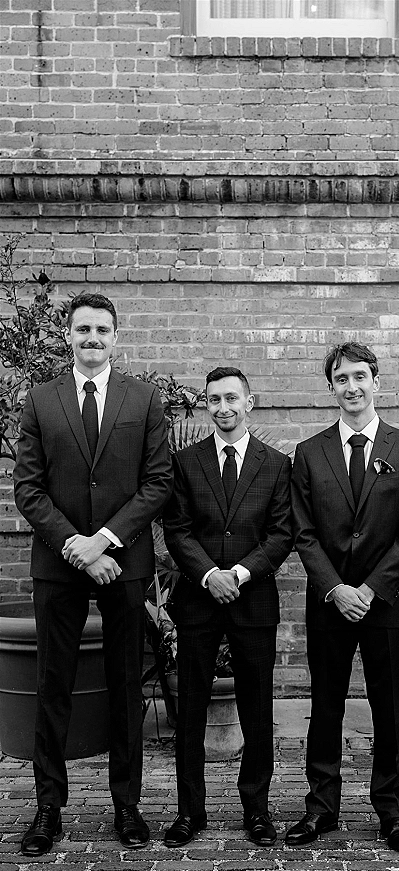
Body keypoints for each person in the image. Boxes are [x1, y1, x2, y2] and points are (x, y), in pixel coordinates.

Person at [13, 292, 173, 856]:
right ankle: (48, 807)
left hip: (123, 561)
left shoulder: (144, 399)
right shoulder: (40, 401)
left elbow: (157, 482)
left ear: (115, 336)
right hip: (59, 565)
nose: (92, 338)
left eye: (102, 329)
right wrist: (75, 547)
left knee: (127, 683)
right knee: (53, 683)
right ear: (67, 336)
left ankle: (126, 805)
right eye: (82, 329)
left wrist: (104, 540)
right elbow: (27, 489)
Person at [286, 342, 399, 854]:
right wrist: (335, 589)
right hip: (329, 603)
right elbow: (303, 531)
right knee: (325, 706)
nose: (352, 386)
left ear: (376, 381)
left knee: (389, 707)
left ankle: (392, 810)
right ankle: (320, 807)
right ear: (331, 387)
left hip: (386, 603)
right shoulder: (309, 451)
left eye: (360, 376)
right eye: (341, 378)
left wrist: (369, 589)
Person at [162, 366, 292, 848]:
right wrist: (208, 575)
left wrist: (237, 574)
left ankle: (256, 810)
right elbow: (176, 529)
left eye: (231, 398)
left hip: (252, 600)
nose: (223, 408)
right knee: (191, 711)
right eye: (213, 400)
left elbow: (282, 534)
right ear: (206, 406)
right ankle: (188, 811)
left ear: (249, 402)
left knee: (257, 711)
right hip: (198, 601)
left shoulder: (276, 464)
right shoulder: (185, 462)